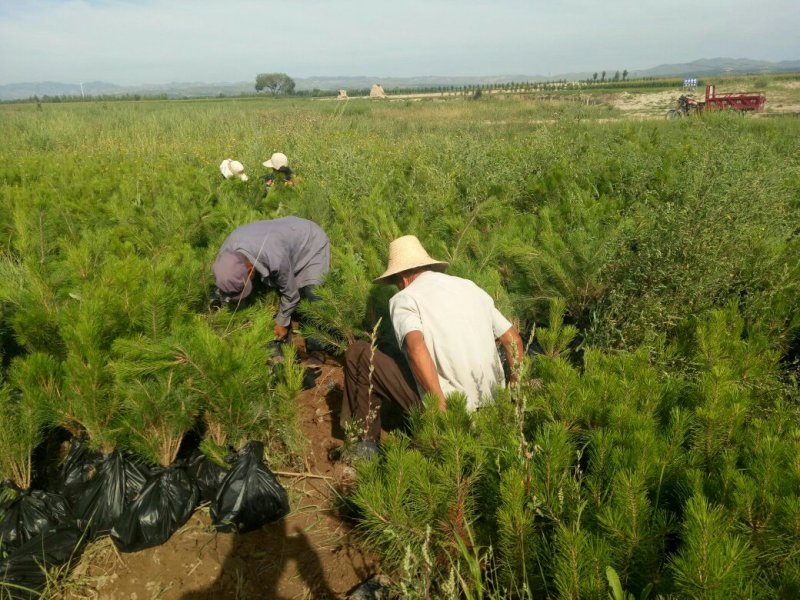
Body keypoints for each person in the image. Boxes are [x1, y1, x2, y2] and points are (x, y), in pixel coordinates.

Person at [341, 235, 524, 456]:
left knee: (359, 353)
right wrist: (514, 389)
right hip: (493, 407)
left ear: (402, 277)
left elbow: (416, 348)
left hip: (455, 413)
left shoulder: (405, 298)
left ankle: (364, 445)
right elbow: (512, 338)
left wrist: (440, 408)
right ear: (428, 266)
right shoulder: (469, 287)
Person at [212, 217, 330, 363]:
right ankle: (281, 353)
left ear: (250, 271)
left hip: (309, 244)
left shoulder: (274, 257)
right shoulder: (225, 256)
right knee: (267, 297)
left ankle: (316, 348)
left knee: (313, 295)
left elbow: (290, 294)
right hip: (278, 243)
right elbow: (224, 290)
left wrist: (281, 322)